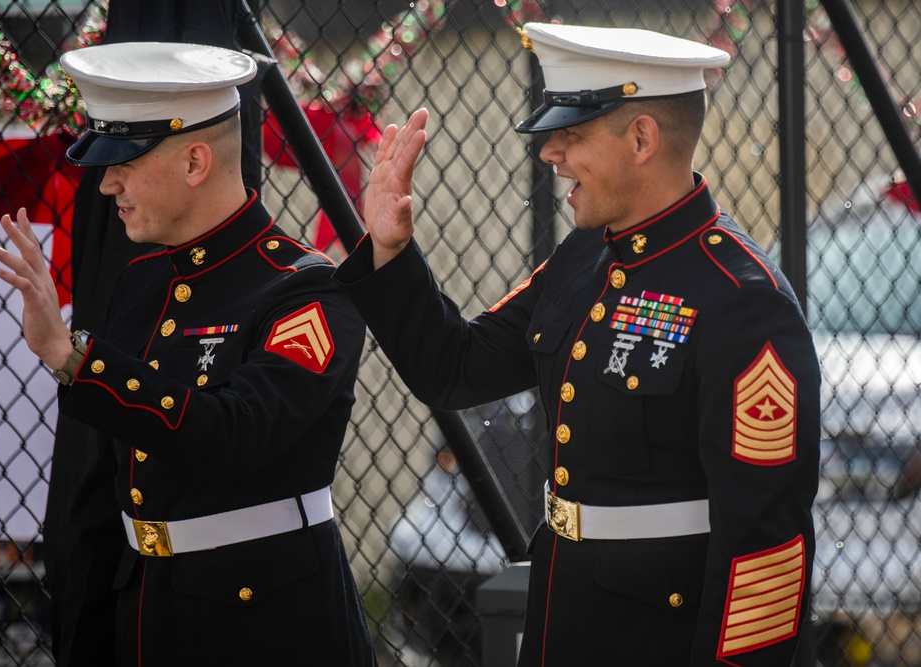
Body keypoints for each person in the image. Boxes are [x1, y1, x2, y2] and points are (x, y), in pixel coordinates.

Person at [334, 23, 820, 666]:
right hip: (562, 620)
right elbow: (454, 367)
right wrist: (391, 250)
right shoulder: (586, 256)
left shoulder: (743, 300)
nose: (550, 152)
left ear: (642, 139)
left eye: (574, 134)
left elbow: (766, 552)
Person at [0, 42, 375, 666]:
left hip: (266, 630)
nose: (107, 182)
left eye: (125, 161)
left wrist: (74, 359)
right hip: (142, 615)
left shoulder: (306, 291)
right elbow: (101, 492)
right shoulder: (142, 281)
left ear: (196, 161)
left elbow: (231, 437)